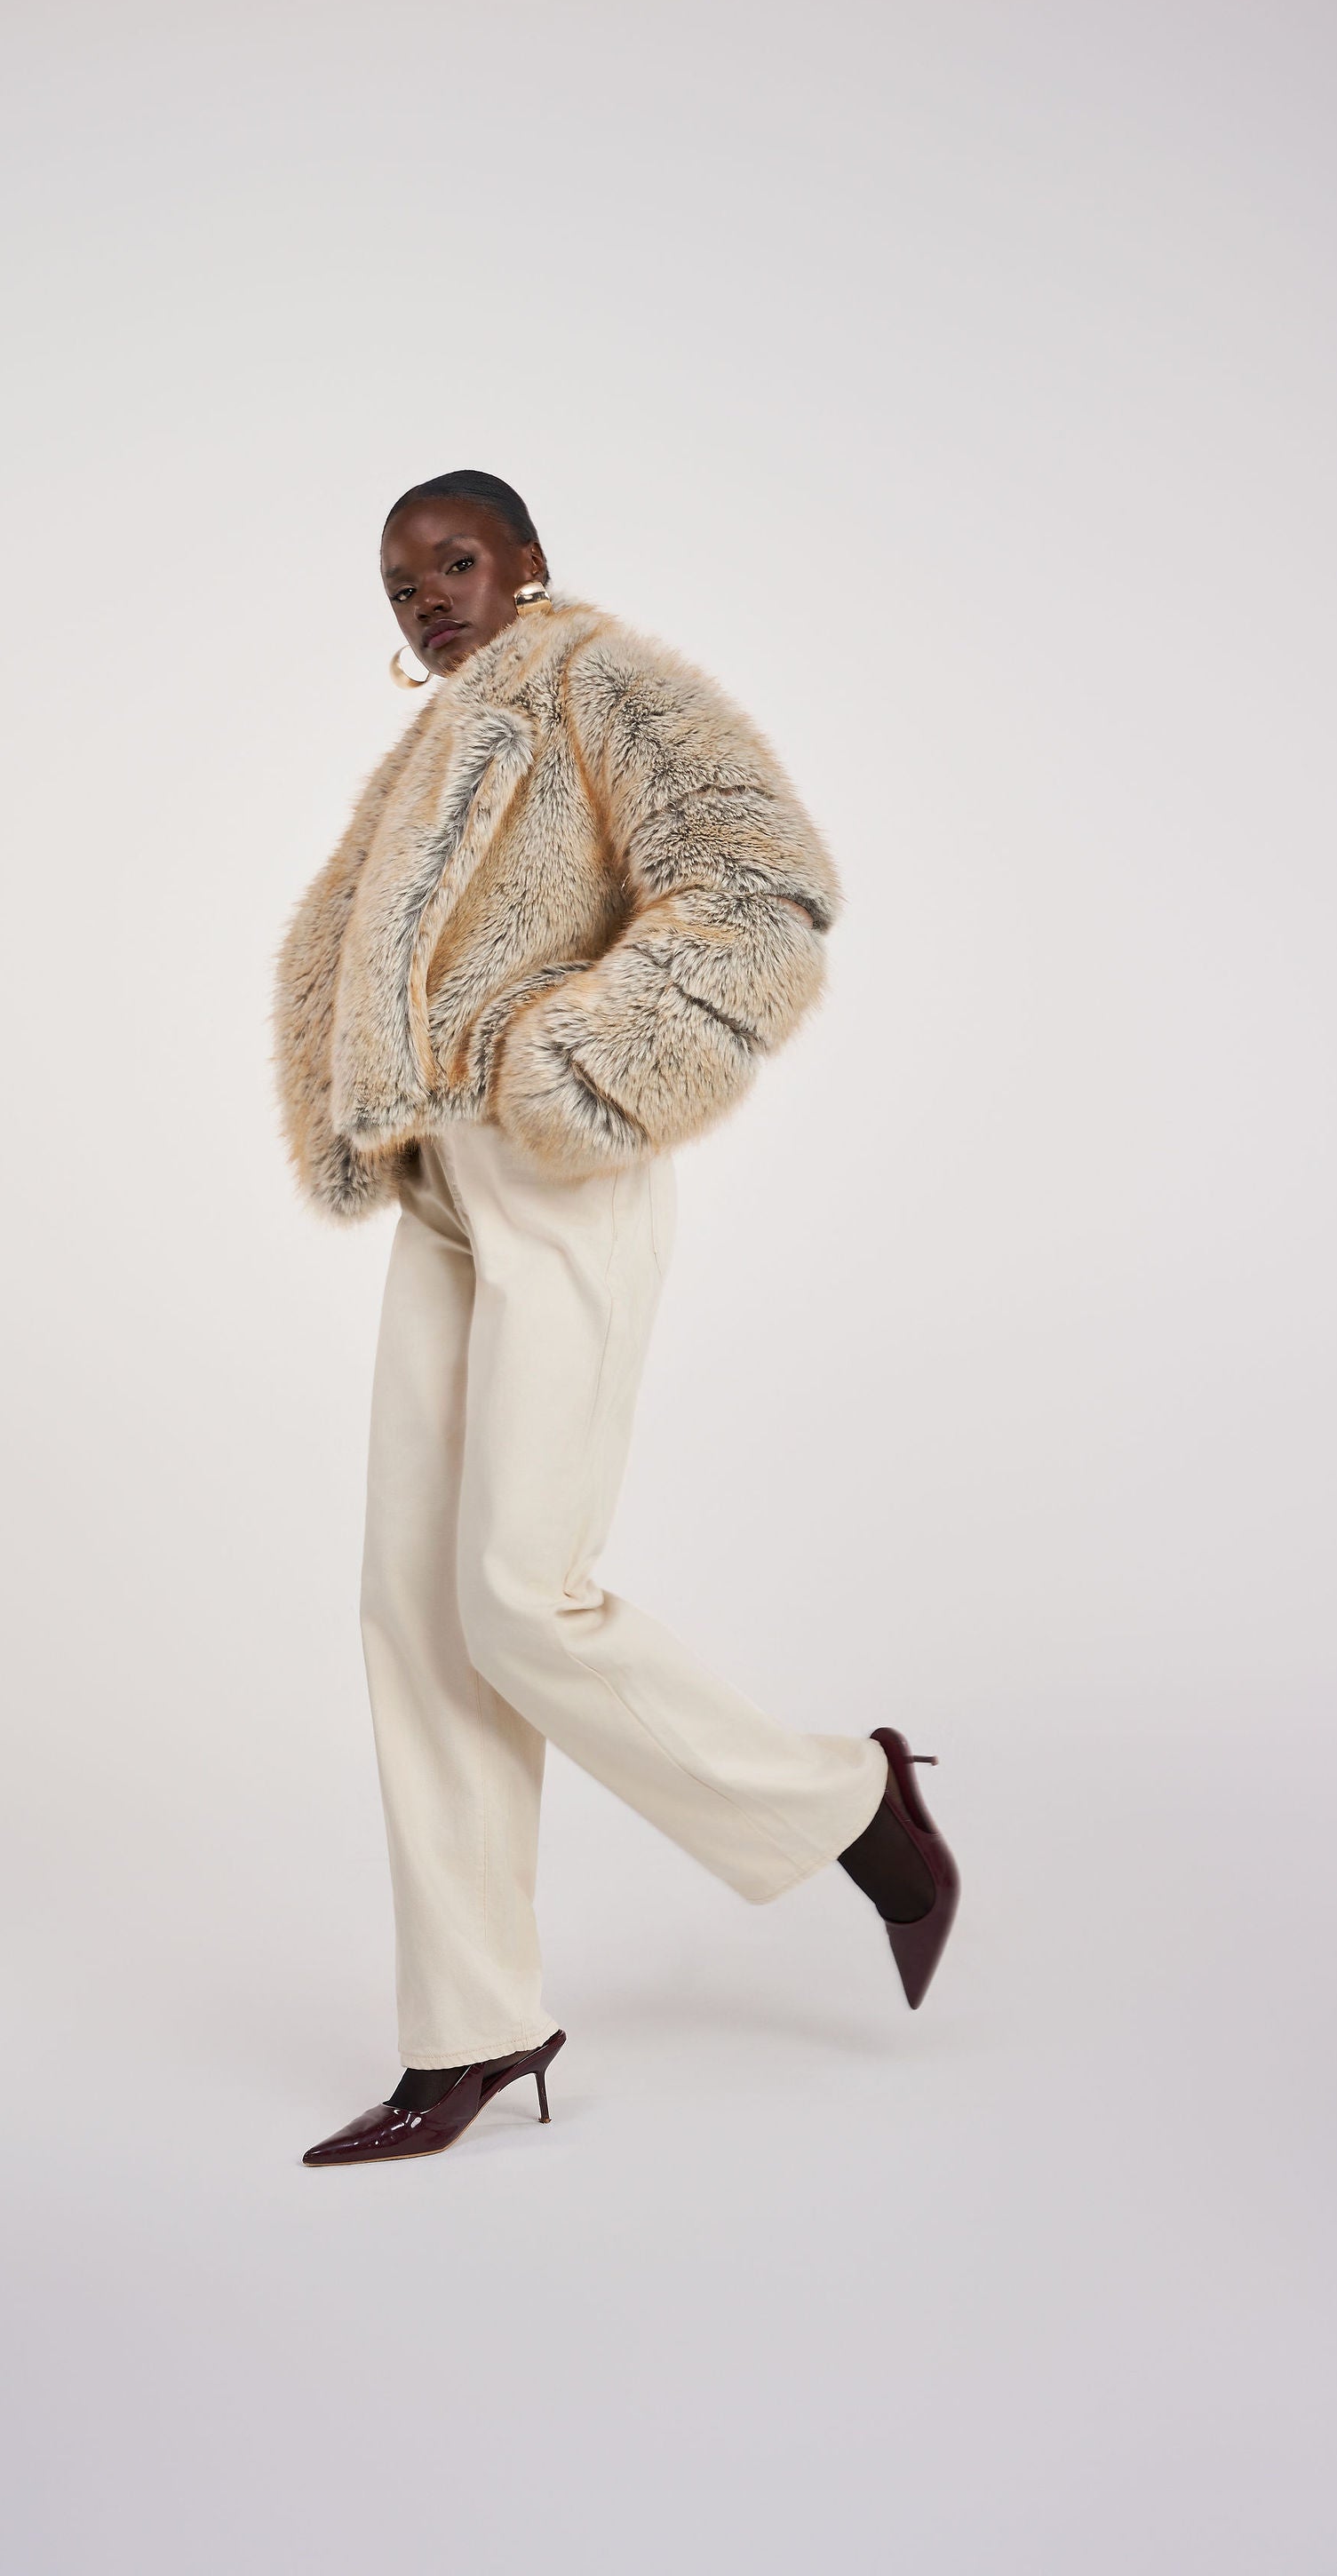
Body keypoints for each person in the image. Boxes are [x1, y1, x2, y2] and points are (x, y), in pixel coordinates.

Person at [275, 469, 959, 2166]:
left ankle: (851, 1806)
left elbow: (761, 882)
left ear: (526, 561)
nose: (427, 598)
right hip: (445, 1179)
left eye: (453, 562)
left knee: (520, 1597)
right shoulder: (440, 737)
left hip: (560, 1162)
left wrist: (587, 1059)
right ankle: (468, 2030)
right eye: (401, 584)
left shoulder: (603, 681)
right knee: (413, 1613)